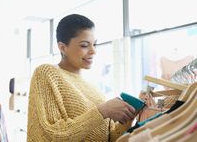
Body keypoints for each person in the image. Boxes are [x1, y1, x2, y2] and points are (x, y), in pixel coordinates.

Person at [26, 14, 136, 142]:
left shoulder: (93, 87)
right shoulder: (46, 74)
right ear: (62, 48)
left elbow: (110, 138)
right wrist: (102, 111)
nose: (93, 51)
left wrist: (129, 117)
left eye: (95, 44)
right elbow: (55, 134)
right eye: (84, 45)